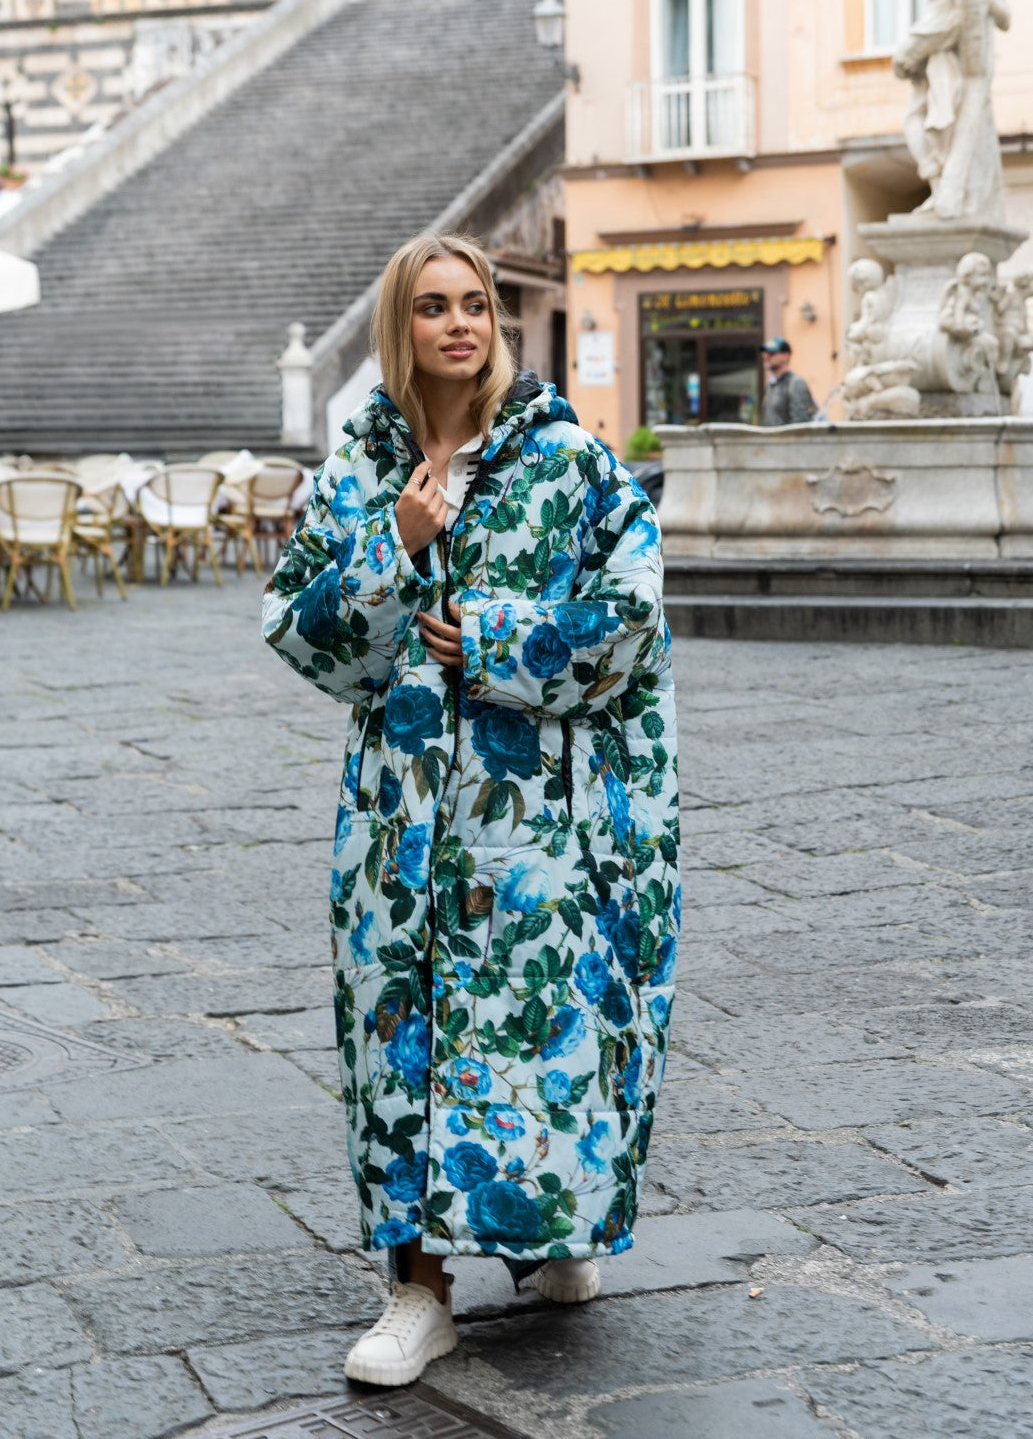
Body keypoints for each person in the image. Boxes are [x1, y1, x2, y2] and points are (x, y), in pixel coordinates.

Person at [262, 232, 680, 1387]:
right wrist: (394, 549)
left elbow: (636, 615)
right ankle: (420, 1289)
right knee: (400, 1024)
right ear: (402, 324)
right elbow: (299, 632)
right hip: (399, 812)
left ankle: (553, 1231)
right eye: (435, 305)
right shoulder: (359, 468)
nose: (460, 323)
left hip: (536, 810)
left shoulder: (566, 458)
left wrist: (501, 639)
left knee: (539, 1020)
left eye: (478, 303)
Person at [758, 337, 817, 425]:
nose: (766, 356)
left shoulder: (796, 384)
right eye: (765, 353)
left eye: (771, 353)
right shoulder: (770, 386)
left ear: (786, 355)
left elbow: (801, 425)